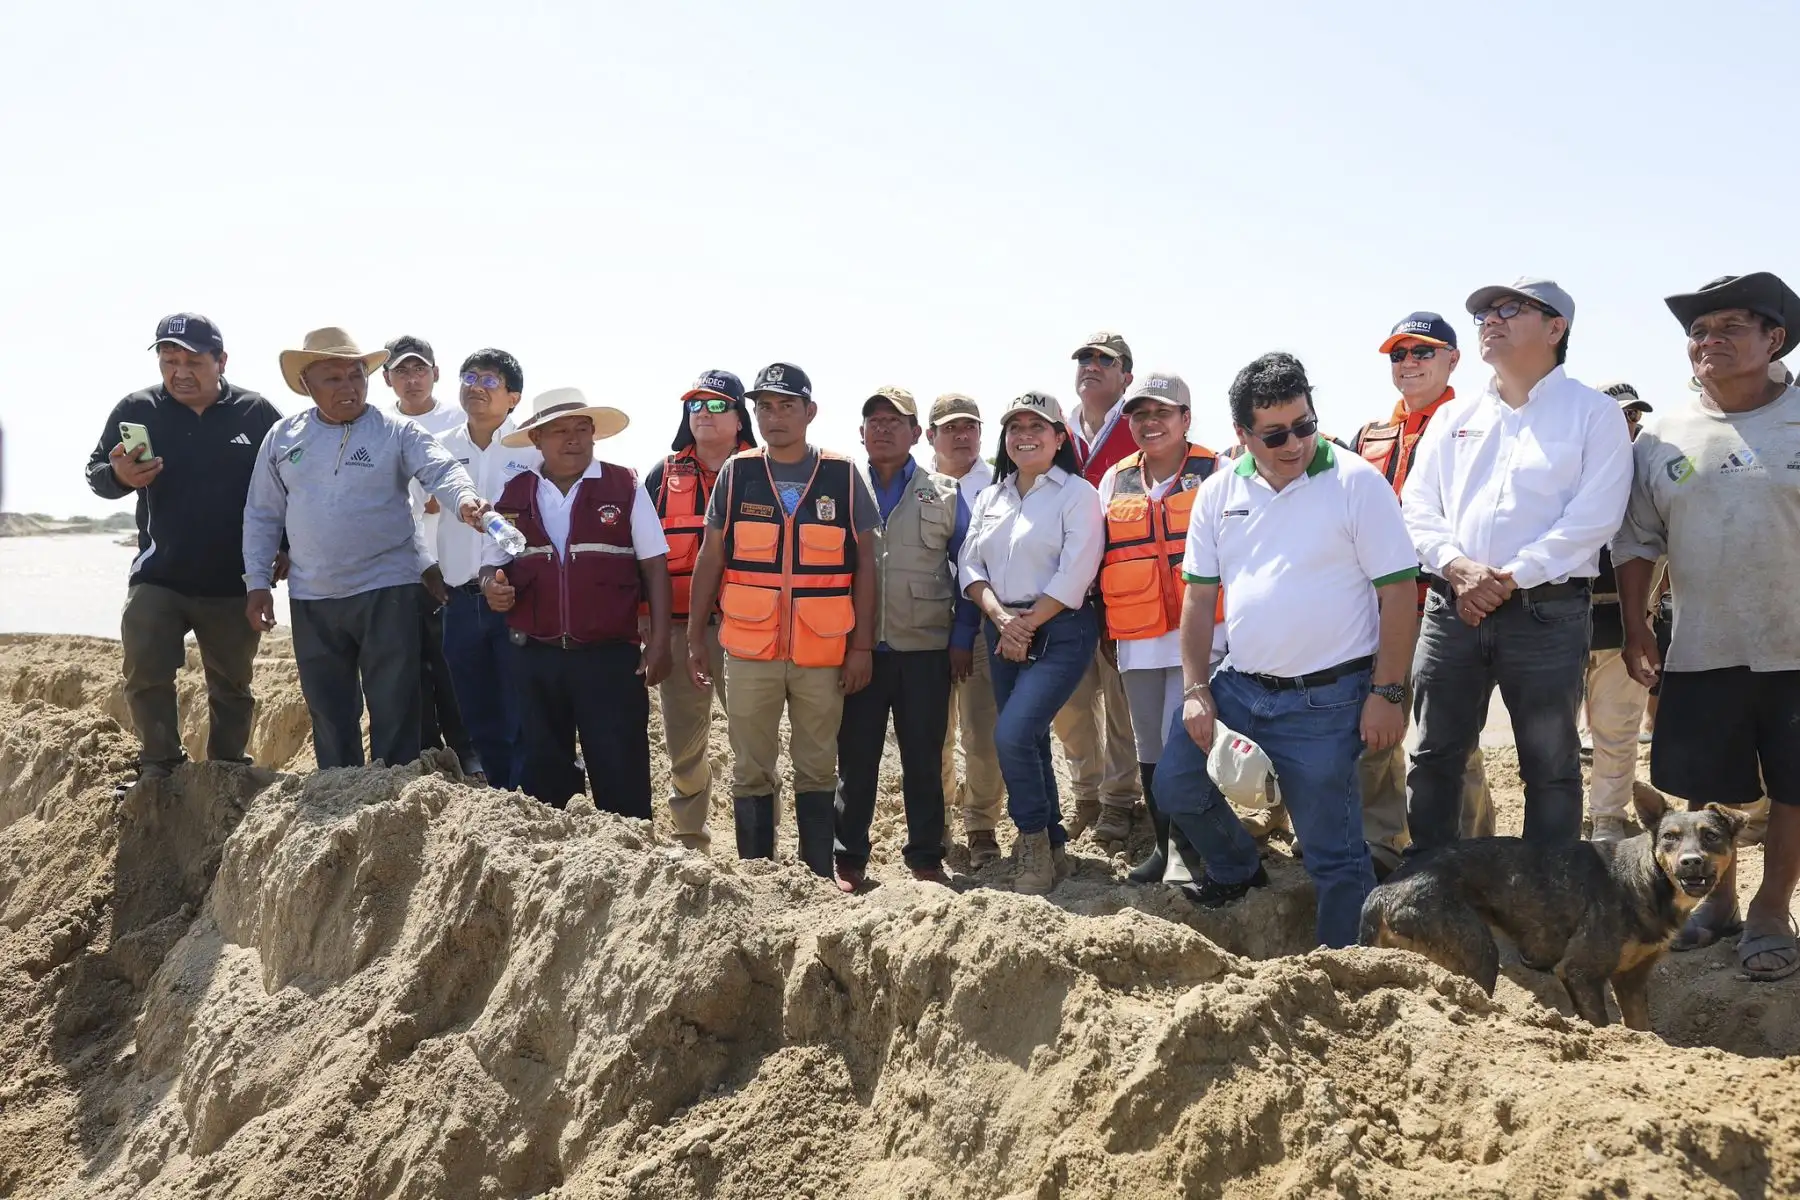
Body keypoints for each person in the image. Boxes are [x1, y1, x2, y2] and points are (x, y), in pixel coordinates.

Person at [1154, 352, 1420, 948]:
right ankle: (1237, 871)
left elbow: (1400, 595)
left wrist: (1387, 693)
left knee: (1333, 854)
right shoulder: (1218, 492)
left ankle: (1340, 969)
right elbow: (1198, 602)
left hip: (1329, 701)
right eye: (1275, 434)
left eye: (1305, 424)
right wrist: (1197, 691)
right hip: (1240, 688)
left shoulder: (1356, 483)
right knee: (1175, 787)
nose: (1295, 442)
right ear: (1242, 435)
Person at [1401, 278, 1633, 852]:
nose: (1489, 319)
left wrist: (1507, 577)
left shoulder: (1593, 415)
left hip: (1546, 615)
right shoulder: (1454, 417)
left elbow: (1594, 518)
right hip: (1452, 609)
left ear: (1556, 329)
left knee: (1550, 767)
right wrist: (1458, 568)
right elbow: (1417, 505)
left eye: (1510, 309)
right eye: (1483, 311)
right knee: (1433, 757)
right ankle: (1431, 887)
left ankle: (1546, 902)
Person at [1617, 271, 1800, 982]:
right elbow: (1637, 540)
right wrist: (1636, 627)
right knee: (1707, 785)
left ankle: (1770, 908)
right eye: (1698, 331)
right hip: (1702, 648)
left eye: (1729, 327)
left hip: (1795, 649)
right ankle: (1717, 904)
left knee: (1793, 786)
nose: (1708, 341)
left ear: (1774, 338)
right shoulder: (1661, 433)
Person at [243, 327, 488, 770]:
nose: (348, 387)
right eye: (333, 379)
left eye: (356, 376)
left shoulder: (395, 431)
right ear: (306, 384)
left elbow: (442, 470)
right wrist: (257, 581)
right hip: (312, 595)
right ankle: (340, 788)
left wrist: (466, 500)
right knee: (330, 708)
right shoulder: (283, 438)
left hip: (386, 588)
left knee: (395, 704)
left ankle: (393, 796)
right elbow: (262, 513)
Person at [684, 363, 879, 877]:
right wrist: (694, 637)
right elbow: (710, 558)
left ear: (810, 412)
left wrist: (861, 648)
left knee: (816, 766)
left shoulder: (841, 474)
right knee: (750, 767)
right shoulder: (738, 471)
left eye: (786, 405)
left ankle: (814, 875)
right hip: (749, 650)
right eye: (764, 406)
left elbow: (867, 567)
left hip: (822, 650)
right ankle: (758, 877)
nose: (774, 416)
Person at [85, 313, 282, 787]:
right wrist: (119, 477)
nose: (179, 371)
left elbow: (287, 485)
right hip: (160, 573)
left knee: (232, 683)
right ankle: (159, 765)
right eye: (168, 360)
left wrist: (286, 547)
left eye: (192, 360)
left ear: (221, 361)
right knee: (146, 669)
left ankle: (226, 766)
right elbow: (96, 473)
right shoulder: (136, 409)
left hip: (233, 578)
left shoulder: (256, 413)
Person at [480, 389, 671, 815]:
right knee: (544, 774)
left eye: (582, 429)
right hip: (535, 656)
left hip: (609, 658)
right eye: (560, 431)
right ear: (536, 440)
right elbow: (490, 565)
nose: (573, 439)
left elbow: (654, 566)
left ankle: (628, 862)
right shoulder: (512, 495)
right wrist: (491, 586)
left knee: (621, 771)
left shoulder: (626, 485)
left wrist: (659, 642)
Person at [1349, 312, 1493, 876]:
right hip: (1375, 611)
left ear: (1454, 360)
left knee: (1450, 736)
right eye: (1398, 354)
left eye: (1423, 352)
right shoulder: (1369, 437)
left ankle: (1474, 847)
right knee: (1374, 732)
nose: (1408, 363)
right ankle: (1382, 843)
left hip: (1442, 606)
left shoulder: (1478, 427)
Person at [959, 391, 1105, 895]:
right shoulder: (990, 497)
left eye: (1037, 427)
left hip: (1061, 626)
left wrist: (1026, 624)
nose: (1025, 435)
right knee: (1030, 739)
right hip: (1000, 626)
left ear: (1059, 438)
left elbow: (1077, 569)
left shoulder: (1078, 494)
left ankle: (1032, 845)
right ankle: (1056, 846)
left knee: (1013, 734)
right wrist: (1002, 619)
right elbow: (970, 565)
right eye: (1015, 427)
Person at [833, 387, 973, 890]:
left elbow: (969, 570)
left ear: (917, 434)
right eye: (874, 419)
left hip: (927, 651)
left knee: (923, 757)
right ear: (861, 432)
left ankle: (925, 856)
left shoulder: (945, 493)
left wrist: (962, 636)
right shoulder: (843, 487)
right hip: (860, 650)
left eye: (897, 420)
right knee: (856, 756)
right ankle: (848, 857)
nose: (884, 428)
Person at [1094, 372, 1219, 884]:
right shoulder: (1115, 479)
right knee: (1150, 748)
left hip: (1203, 636)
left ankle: (1199, 852)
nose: (1150, 423)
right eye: (1140, 414)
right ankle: (1167, 850)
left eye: (1162, 413)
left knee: (1188, 746)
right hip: (1137, 638)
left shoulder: (1219, 471)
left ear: (1186, 419)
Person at [643, 369, 757, 850]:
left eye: (716, 406)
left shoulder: (762, 471)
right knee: (684, 743)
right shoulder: (661, 475)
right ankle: (691, 837)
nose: (703, 415)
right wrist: (648, 633)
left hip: (747, 630)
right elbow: (642, 557)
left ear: (738, 418)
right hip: (675, 629)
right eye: (695, 406)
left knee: (753, 743)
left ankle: (759, 842)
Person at [1054, 331, 1144, 843]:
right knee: (1070, 702)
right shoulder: (1056, 430)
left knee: (1122, 701)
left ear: (1125, 376)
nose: (1090, 366)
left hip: (1120, 592)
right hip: (1063, 595)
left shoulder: (1140, 428)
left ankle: (1118, 800)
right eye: (1084, 358)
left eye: (1103, 361)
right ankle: (1085, 793)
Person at [434, 348, 535, 789]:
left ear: (513, 397)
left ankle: (533, 802)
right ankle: (498, 801)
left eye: (490, 380)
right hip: (459, 600)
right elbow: (412, 510)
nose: (476, 386)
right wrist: (426, 568)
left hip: (517, 599)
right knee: (477, 714)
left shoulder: (531, 447)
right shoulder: (438, 449)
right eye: (469, 377)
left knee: (523, 711)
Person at [382, 335, 482, 779]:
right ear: (387, 379)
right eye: (401, 371)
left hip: (454, 564)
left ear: (436, 373)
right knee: (410, 661)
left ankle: (470, 754)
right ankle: (425, 755)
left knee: (452, 661)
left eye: (419, 368)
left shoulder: (462, 420)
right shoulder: (379, 427)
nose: (412, 378)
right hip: (400, 564)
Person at [928, 393, 1005, 867]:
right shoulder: (919, 485)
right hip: (928, 628)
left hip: (982, 628)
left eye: (970, 426)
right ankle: (935, 823)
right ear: (930, 435)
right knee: (934, 733)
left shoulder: (1001, 484)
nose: (961, 436)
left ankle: (981, 826)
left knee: (981, 733)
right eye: (950, 428)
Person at [1578, 381, 1655, 843]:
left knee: (1618, 728)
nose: (1627, 422)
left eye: (1632, 415)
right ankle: (1560, 817)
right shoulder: (1567, 466)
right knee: (1550, 737)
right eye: (1617, 413)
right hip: (1559, 620)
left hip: (1621, 621)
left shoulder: (1646, 470)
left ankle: (1608, 818)